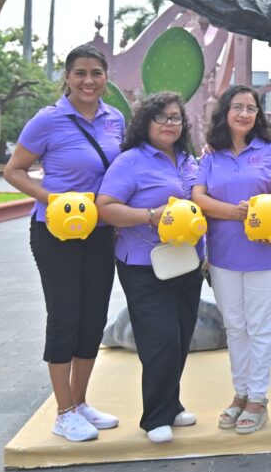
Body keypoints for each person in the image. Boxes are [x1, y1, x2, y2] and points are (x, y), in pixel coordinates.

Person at [3, 44, 125, 443]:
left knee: (93, 317)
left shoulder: (115, 119)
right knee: (65, 316)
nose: (88, 81)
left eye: (96, 73)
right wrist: (51, 198)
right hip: (55, 232)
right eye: (80, 73)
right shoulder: (48, 119)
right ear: (68, 77)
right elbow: (14, 170)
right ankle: (63, 411)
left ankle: (80, 401)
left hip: (99, 231)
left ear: (105, 77)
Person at [95, 92, 202, 444]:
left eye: (176, 118)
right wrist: (150, 216)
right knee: (160, 340)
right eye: (162, 117)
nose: (170, 124)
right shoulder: (131, 161)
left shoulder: (187, 159)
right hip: (144, 264)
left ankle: (171, 404)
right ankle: (155, 416)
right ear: (146, 122)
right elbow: (105, 207)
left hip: (186, 261)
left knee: (181, 335)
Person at [191, 84, 271, 434]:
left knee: (260, 327)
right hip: (223, 255)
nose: (245, 113)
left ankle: (258, 399)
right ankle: (241, 393)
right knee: (235, 327)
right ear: (225, 112)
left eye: (251, 108)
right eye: (238, 107)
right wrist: (236, 213)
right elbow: (198, 197)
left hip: (267, 253)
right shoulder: (211, 155)